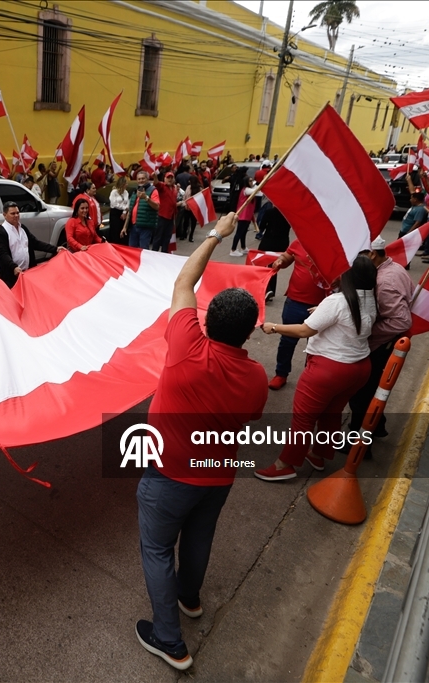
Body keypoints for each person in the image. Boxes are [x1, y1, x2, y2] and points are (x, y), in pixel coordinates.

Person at [135, 212, 267, 670]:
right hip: (217, 476)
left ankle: (169, 640)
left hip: (169, 474)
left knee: (157, 549)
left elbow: (183, 282)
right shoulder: (256, 377)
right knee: (199, 537)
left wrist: (215, 235)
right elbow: (251, 417)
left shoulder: (186, 345)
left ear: (206, 321)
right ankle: (189, 598)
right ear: (249, 331)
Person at [255, 255, 377, 480]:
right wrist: (322, 311)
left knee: (303, 418)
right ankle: (318, 455)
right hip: (359, 367)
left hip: (330, 369)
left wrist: (274, 327)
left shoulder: (337, 301)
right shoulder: (369, 297)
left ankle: (285, 465)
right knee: (332, 413)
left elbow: (304, 331)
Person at [344, 238, 413, 451]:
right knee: (372, 390)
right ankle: (378, 425)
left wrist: (367, 330)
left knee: (361, 395)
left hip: (380, 346)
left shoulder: (384, 281)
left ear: (372, 254)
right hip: (384, 344)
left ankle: (358, 444)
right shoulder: (394, 268)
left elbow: (401, 320)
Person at [266, 240, 330, 389]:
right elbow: (287, 257)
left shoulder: (333, 244)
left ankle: (310, 376)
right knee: (287, 341)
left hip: (321, 305)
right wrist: (280, 261)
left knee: (315, 344)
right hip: (294, 301)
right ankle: (281, 374)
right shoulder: (300, 241)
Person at [0, 201, 65, 287]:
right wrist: (14, 267)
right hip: (12, 275)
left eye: (17, 213)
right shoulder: (0, 233)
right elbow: (3, 254)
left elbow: (35, 243)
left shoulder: (23, 228)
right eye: (13, 213)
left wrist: (55, 249)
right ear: (4, 215)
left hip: (28, 272)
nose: (16, 215)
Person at [255, 205, 291, 301]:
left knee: (262, 265)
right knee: (275, 266)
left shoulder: (270, 212)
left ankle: (266, 289)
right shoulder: (288, 214)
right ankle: (271, 291)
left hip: (269, 241)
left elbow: (261, 226)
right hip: (282, 243)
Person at [124, 170, 159, 250]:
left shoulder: (153, 190)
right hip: (133, 226)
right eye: (139, 179)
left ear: (147, 179)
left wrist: (146, 198)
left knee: (143, 251)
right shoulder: (135, 191)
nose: (141, 180)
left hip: (145, 227)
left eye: (143, 178)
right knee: (132, 250)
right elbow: (130, 210)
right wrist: (125, 227)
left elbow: (157, 206)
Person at [152, 172, 180, 253]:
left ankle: (164, 253)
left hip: (171, 217)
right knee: (158, 237)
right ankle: (154, 253)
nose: (170, 179)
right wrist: (155, 176)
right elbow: (157, 184)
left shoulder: (174, 189)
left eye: (171, 178)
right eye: (168, 178)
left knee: (167, 237)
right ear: (164, 179)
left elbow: (172, 202)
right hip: (162, 216)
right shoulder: (162, 186)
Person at [229, 176, 256, 256]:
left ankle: (243, 248)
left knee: (243, 233)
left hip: (247, 216)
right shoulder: (246, 190)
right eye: (250, 181)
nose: (251, 182)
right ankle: (233, 249)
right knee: (239, 233)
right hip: (243, 216)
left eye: (252, 181)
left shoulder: (248, 190)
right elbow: (256, 191)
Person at [109, 175, 131, 245]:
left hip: (123, 213)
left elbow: (127, 203)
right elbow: (114, 203)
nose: (127, 184)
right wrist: (124, 208)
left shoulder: (126, 192)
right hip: (115, 213)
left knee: (123, 231)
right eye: (126, 183)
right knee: (115, 231)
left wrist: (124, 212)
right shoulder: (114, 192)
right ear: (122, 184)